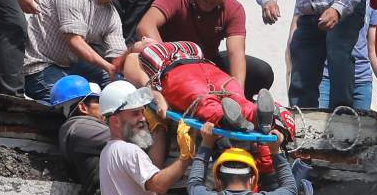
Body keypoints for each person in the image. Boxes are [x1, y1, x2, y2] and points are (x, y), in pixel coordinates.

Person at [123, 40, 294, 175]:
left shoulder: (179, 44)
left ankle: (256, 114)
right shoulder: (135, 58)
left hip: (209, 69)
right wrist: (159, 98)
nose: (144, 38)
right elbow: (144, 82)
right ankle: (232, 117)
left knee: (234, 96)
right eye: (139, 41)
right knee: (203, 101)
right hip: (176, 73)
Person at [136, 0, 274, 99]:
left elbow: (236, 54)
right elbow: (146, 25)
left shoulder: (234, 9)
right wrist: (168, 63)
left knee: (261, 72)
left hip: (206, 63)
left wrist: (238, 95)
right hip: (170, 63)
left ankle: (234, 107)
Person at [23, 0, 128, 102]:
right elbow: (74, 41)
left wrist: (126, 69)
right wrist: (108, 66)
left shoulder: (112, 14)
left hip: (71, 66)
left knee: (118, 88)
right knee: (76, 103)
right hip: (40, 68)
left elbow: (118, 56)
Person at [318, 0, 377, 110]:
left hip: (361, 81)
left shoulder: (369, 3)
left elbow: (372, 48)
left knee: (360, 134)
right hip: (328, 79)